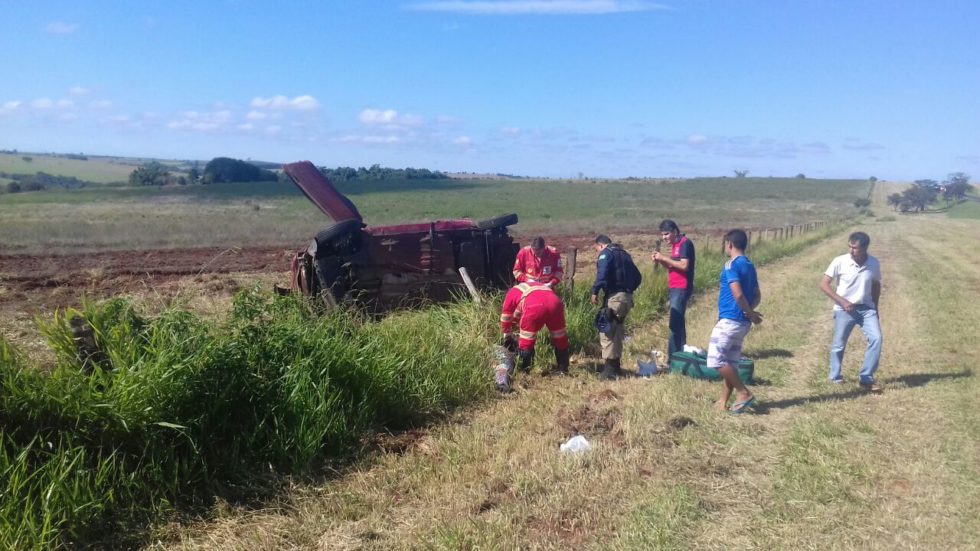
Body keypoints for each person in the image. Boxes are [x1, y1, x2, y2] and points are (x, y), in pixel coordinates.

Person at [819, 231, 882, 393]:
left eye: (855, 248)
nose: (851, 250)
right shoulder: (840, 261)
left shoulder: (874, 263)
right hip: (844, 309)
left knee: (876, 339)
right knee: (839, 344)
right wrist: (842, 301)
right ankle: (835, 376)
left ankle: (866, 377)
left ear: (865, 248)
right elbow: (824, 284)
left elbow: (876, 285)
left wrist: (875, 307)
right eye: (849, 246)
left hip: (867, 309)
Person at [708, 229, 762, 413]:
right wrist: (750, 313)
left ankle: (743, 392)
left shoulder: (731, 265)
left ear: (729, 244)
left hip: (730, 319)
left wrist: (747, 311)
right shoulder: (750, 265)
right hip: (742, 323)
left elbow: (738, 294)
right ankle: (722, 402)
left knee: (716, 360)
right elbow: (756, 295)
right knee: (729, 362)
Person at [499, 282, 570, 388]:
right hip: (555, 302)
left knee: (526, 341)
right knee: (560, 337)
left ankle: (525, 370)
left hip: (534, 306)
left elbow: (505, 317)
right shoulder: (532, 287)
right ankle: (563, 369)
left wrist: (507, 334)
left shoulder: (511, 293)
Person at [591, 235, 642, 380]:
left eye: (596, 249)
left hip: (614, 297)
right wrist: (628, 290)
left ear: (600, 245)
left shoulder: (606, 254)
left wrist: (595, 291)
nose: (597, 252)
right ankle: (616, 367)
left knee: (607, 331)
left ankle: (609, 371)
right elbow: (638, 276)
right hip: (626, 297)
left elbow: (602, 274)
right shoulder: (624, 254)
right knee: (617, 331)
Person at [651, 219, 696, 358]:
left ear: (675, 231)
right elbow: (673, 267)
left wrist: (664, 257)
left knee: (674, 323)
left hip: (681, 287)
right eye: (662, 235)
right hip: (674, 287)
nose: (664, 238)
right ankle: (681, 355)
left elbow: (684, 266)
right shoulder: (675, 245)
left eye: (666, 234)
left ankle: (672, 358)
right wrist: (662, 261)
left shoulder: (684, 244)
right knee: (679, 322)